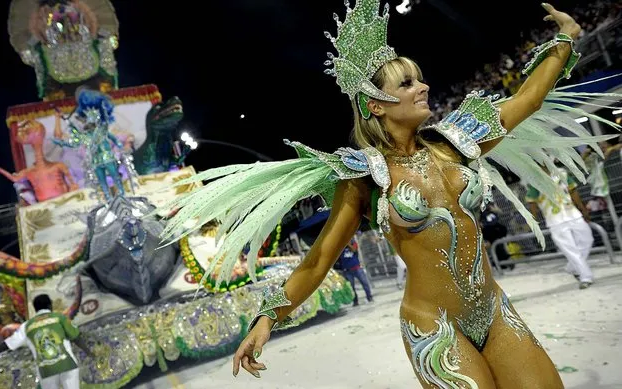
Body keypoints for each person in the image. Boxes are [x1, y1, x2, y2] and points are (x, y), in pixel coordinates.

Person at [159, 2, 619, 387]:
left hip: (494, 310)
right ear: (376, 105)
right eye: (407, 83)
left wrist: (566, 39)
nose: (424, 87)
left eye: (419, 79)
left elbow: (528, 99)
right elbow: (318, 260)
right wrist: (267, 319)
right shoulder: (364, 176)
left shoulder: (458, 141)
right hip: (434, 327)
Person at [526, 166, 594, 289]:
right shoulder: (533, 180)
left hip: (573, 214)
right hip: (554, 220)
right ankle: (585, 277)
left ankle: (572, 267)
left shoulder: (562, 173)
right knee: (571, 250)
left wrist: (582, 208)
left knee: (587, 240)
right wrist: (533, 221)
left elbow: (573, 191)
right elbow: (532, 201)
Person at [3, 295, 80, 389]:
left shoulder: (26, 326)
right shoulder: (60, 318)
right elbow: (76, 336)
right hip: (67, 365)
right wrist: (89, 352)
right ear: (50, 306)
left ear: (35, 308)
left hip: (46, 370)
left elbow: (8, 344)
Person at [337, 237, 373, 305]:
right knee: (351, 287)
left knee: (365, 283)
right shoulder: (340, 247)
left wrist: (348, 244)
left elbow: (354, 250)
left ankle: (369, 297)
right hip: (347, 271)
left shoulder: (354, 243)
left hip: (357, 268)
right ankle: (355, 301)